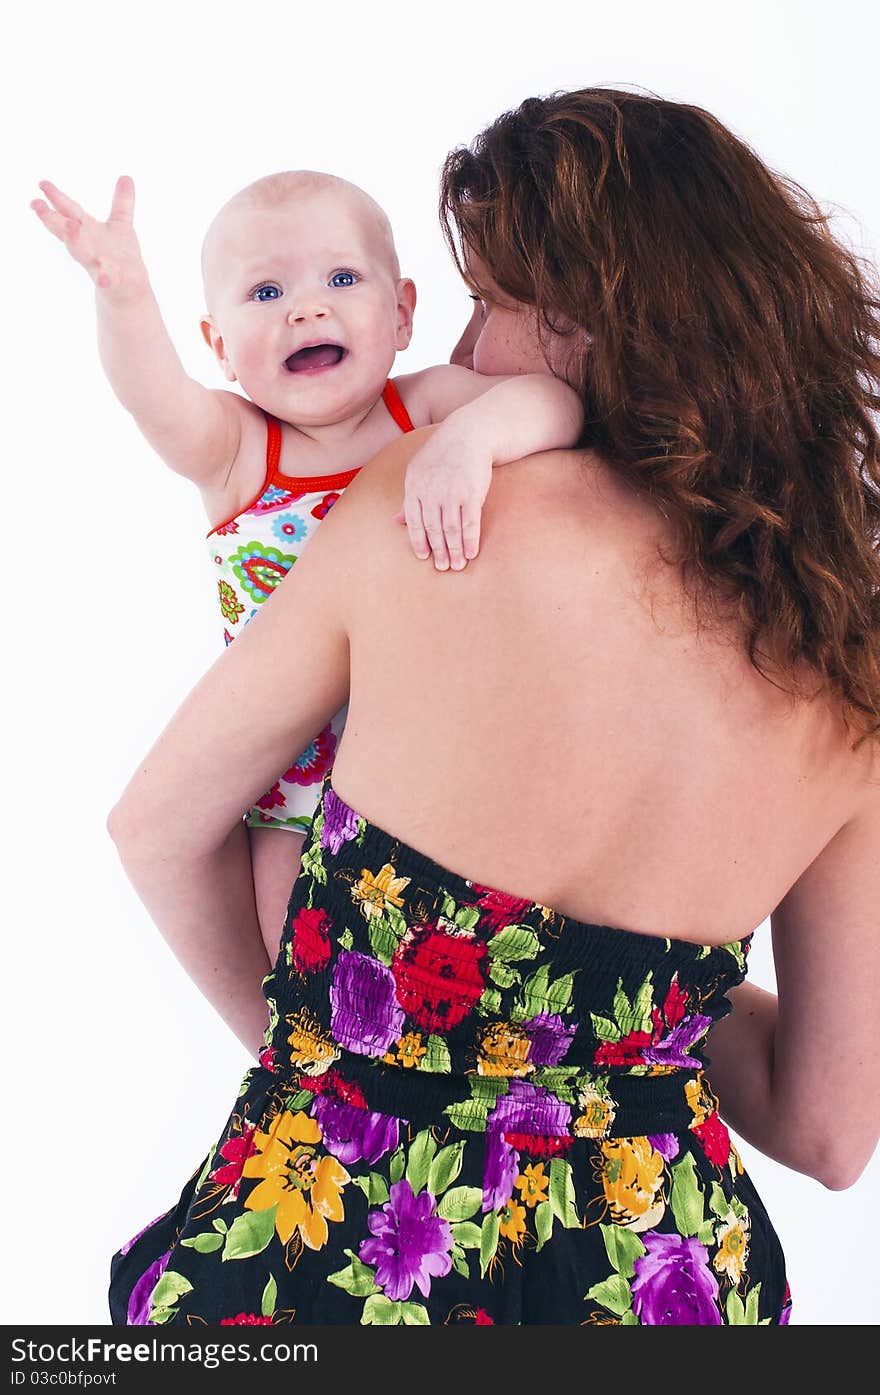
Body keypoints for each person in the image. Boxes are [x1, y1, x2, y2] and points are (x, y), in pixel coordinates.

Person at [105, 88, 880, 1326]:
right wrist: (620, 992)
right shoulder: (846, 653)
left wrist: (302, 1049)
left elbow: (158, 825)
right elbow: (828, 1128)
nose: (457, 353)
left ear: (587, 318)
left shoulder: (440, 504)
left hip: (346, 1255)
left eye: (488, 302)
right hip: (669, 1281)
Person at [30, 170, 582, 963]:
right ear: (220, 347)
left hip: (438, 755)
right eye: (264, 293)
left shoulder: (425, 409)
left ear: (401, 315)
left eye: (343, 278)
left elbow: (553, 404)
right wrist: (124, 299)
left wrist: (471, 441)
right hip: (291, 784)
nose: (306, 307)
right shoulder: (239, 450)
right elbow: (153, 396)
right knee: (300, 964)